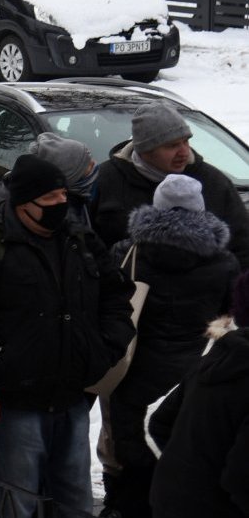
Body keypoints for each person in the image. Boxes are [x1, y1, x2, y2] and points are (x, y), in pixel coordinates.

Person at [0, 154, 135, 518]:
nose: (61, 204)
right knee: (18, 499)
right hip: (14, 402)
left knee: (74, 500)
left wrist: (103, 350)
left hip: (73, 396)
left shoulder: (80, 240)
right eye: (49, 199)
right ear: (23, 204)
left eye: (63, 195)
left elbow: (116, 295)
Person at [96, 173, 236, 518]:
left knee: (128, 452)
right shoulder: (223, 263)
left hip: (134, 372)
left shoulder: (129, 254)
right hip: (190, 375)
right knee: (177, 451)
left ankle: (122, 508)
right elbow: (229, 318)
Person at [91, 101, 249, 269]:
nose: (183, 152)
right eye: (172, 145)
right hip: (130, 292)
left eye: (186, 141)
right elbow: (87, 248)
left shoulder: (213, 182)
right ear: (146, 149)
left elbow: (242, 246)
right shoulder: (105, 180)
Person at [147, 270, 249, 518]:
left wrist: (188, 471)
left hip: (172, 499)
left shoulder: (222, 353)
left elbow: (160, 421)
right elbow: (241, 477)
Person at [27, 131, 97, 229]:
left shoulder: (79, 200)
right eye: (88, 165)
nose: (94, 163)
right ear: (71, 178)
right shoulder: (68, 220)